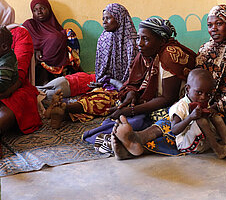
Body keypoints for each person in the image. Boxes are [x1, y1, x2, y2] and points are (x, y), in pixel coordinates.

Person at [80, 17, 196, 149]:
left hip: (174, 104)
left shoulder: (170, 54)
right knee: (122, 104)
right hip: (154, 100)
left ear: (162, 40)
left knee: (168, 119)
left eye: (145, 39)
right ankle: (122, 136)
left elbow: (168, 98)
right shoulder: (145, 53)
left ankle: (131, 140)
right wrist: (131, 95)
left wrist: (132, 110)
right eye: (138, 38)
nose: (139, 43)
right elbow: (133, 83)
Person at [111, 69, 226, 159]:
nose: (204, 97)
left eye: (208, 94)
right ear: (188, 89)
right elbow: (175, 129)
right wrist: (191, 117)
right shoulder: (181, 106)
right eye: (199, 93)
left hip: (201, 139)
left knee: (215, 117)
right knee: (186, 123)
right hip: (188, 140)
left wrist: (211, 112)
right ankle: (132, 143)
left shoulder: (202, 99)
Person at [0, 0, 42, 134]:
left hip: (16, 86)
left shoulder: (18, 33)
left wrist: (4, 92)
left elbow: (20, 74)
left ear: (0, 12)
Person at [196, 4, 226, 134]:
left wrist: (215, 107)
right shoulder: (205, 50)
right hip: (204, 104)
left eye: (219, 23)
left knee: (199, 128)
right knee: (175, 118)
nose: (214, 29)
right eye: (210, 25)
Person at [22, 0, 80, 85]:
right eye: (35, 10)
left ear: (49, 9)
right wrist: (35, 50)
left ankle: (69, 76)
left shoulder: (58, 30)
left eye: (42, 8)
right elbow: (24, 43)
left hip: (61, 64)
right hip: (39, 65)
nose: (39, 12)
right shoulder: (30, 25)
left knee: (68, 33)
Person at [95, 3, 138, 86]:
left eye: (108, 18)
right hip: (106, 83)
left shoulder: (132, 41)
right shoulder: (103, 39)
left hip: (128, 86)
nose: (104, 22)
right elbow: (100, 72)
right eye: (103, 18)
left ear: (119, 18)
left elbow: (134, 74)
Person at [0, 25, 19, 95]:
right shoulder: (5, 56)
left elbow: (3, 84)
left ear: (4, 47)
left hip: (6, 92)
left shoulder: (5, 63)